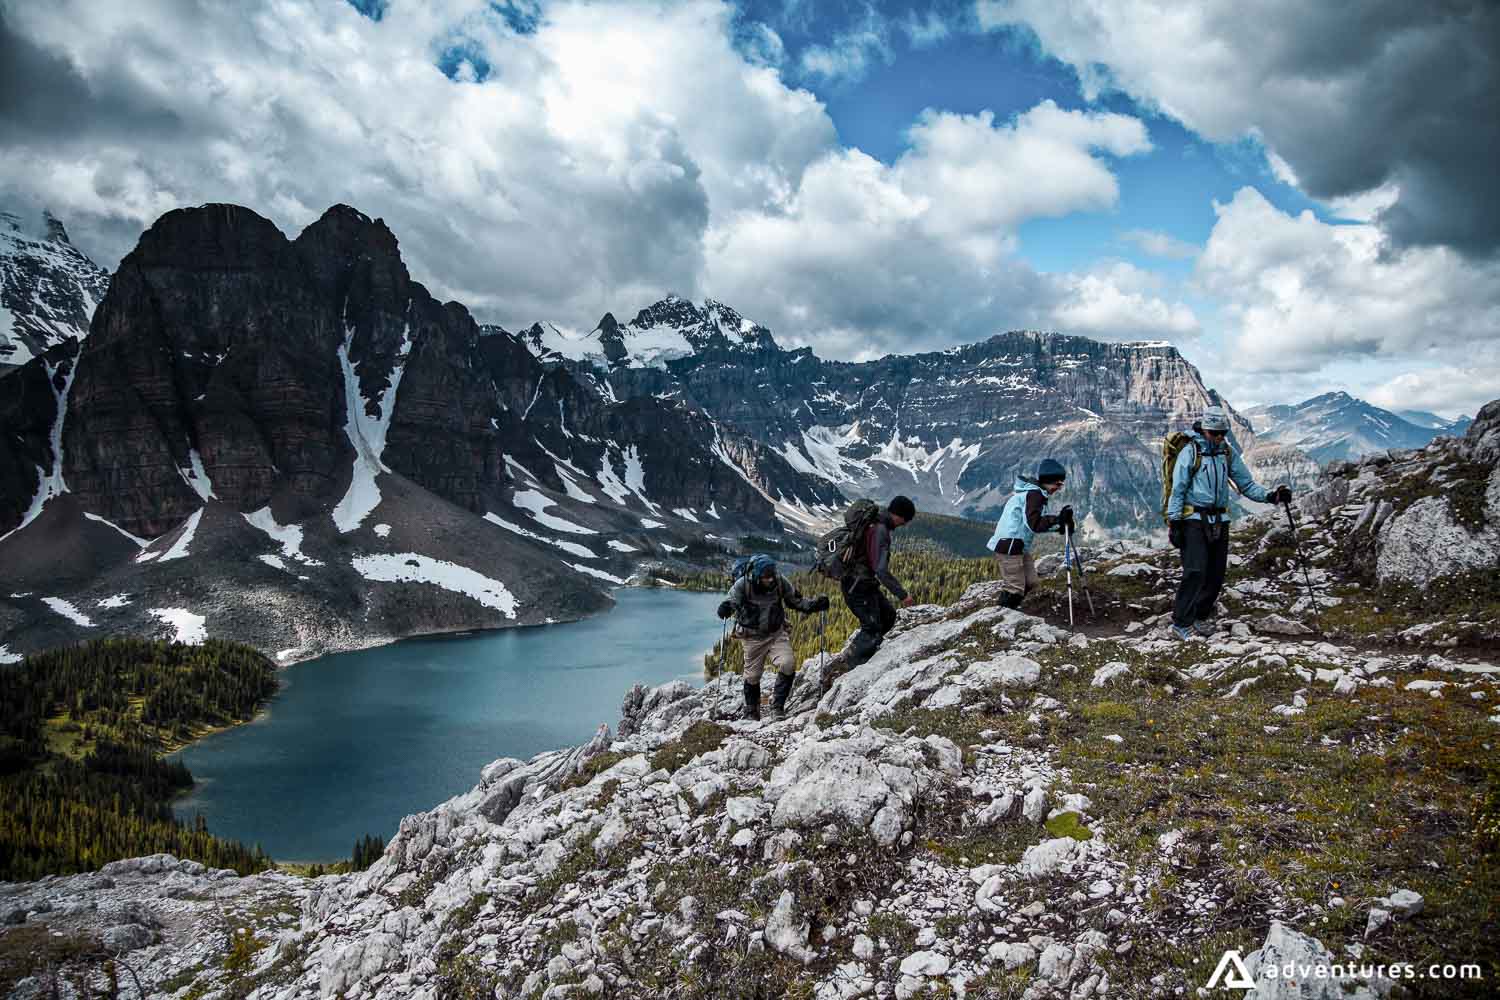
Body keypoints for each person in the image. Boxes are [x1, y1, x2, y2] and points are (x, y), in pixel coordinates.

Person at [1166, 405, 1291, 640]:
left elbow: (1246, 484)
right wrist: (1175, 523)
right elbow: (1178, 490)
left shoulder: (1226, 452)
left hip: (1220, 520)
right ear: (1204, 431)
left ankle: (1201, 616)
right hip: (1193, 519)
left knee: (1216, 574)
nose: (1220, 437)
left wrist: (1271, 496)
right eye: (1215, 433)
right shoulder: (1190, 453)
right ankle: (1181, 623)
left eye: (1223, 433)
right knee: (1195, 571)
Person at [819, 495, 916, 690]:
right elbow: (881, 570)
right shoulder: (880, 530)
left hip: (863, 584)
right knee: (871, 628)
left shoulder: (874, 522)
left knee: (888, 616)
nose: (904, 525)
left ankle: (864, 653)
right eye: (905, 520)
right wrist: (902, 594)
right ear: (899, 515)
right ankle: (845, 671)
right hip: (858, 587)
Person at [717, 555, 829, 721]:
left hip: (776, 634)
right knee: (752, 676)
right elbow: (730, 602)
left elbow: (795, 601)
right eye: (765, 577)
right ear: (756, 576)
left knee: (788, 664)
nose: (770, 580)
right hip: (751, 637)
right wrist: (725, 609)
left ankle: (777, 707)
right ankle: (752, 711)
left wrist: (814, 605)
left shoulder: (779, 581)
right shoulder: (742, 585)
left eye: (771, 576)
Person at [986, 459, 1074, 609]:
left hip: (1017, 546)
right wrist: (1057, 519)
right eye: (1058, 484)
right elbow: (1034, 525)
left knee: (1031, 582)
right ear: (1048, 481)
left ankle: (1014, 608)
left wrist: (1059, 525)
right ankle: (1002, 616)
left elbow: (1033, 522)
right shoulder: (1034, 495)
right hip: (1009, 546)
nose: (1059, 488)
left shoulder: (1035, 494)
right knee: (1015, 589)